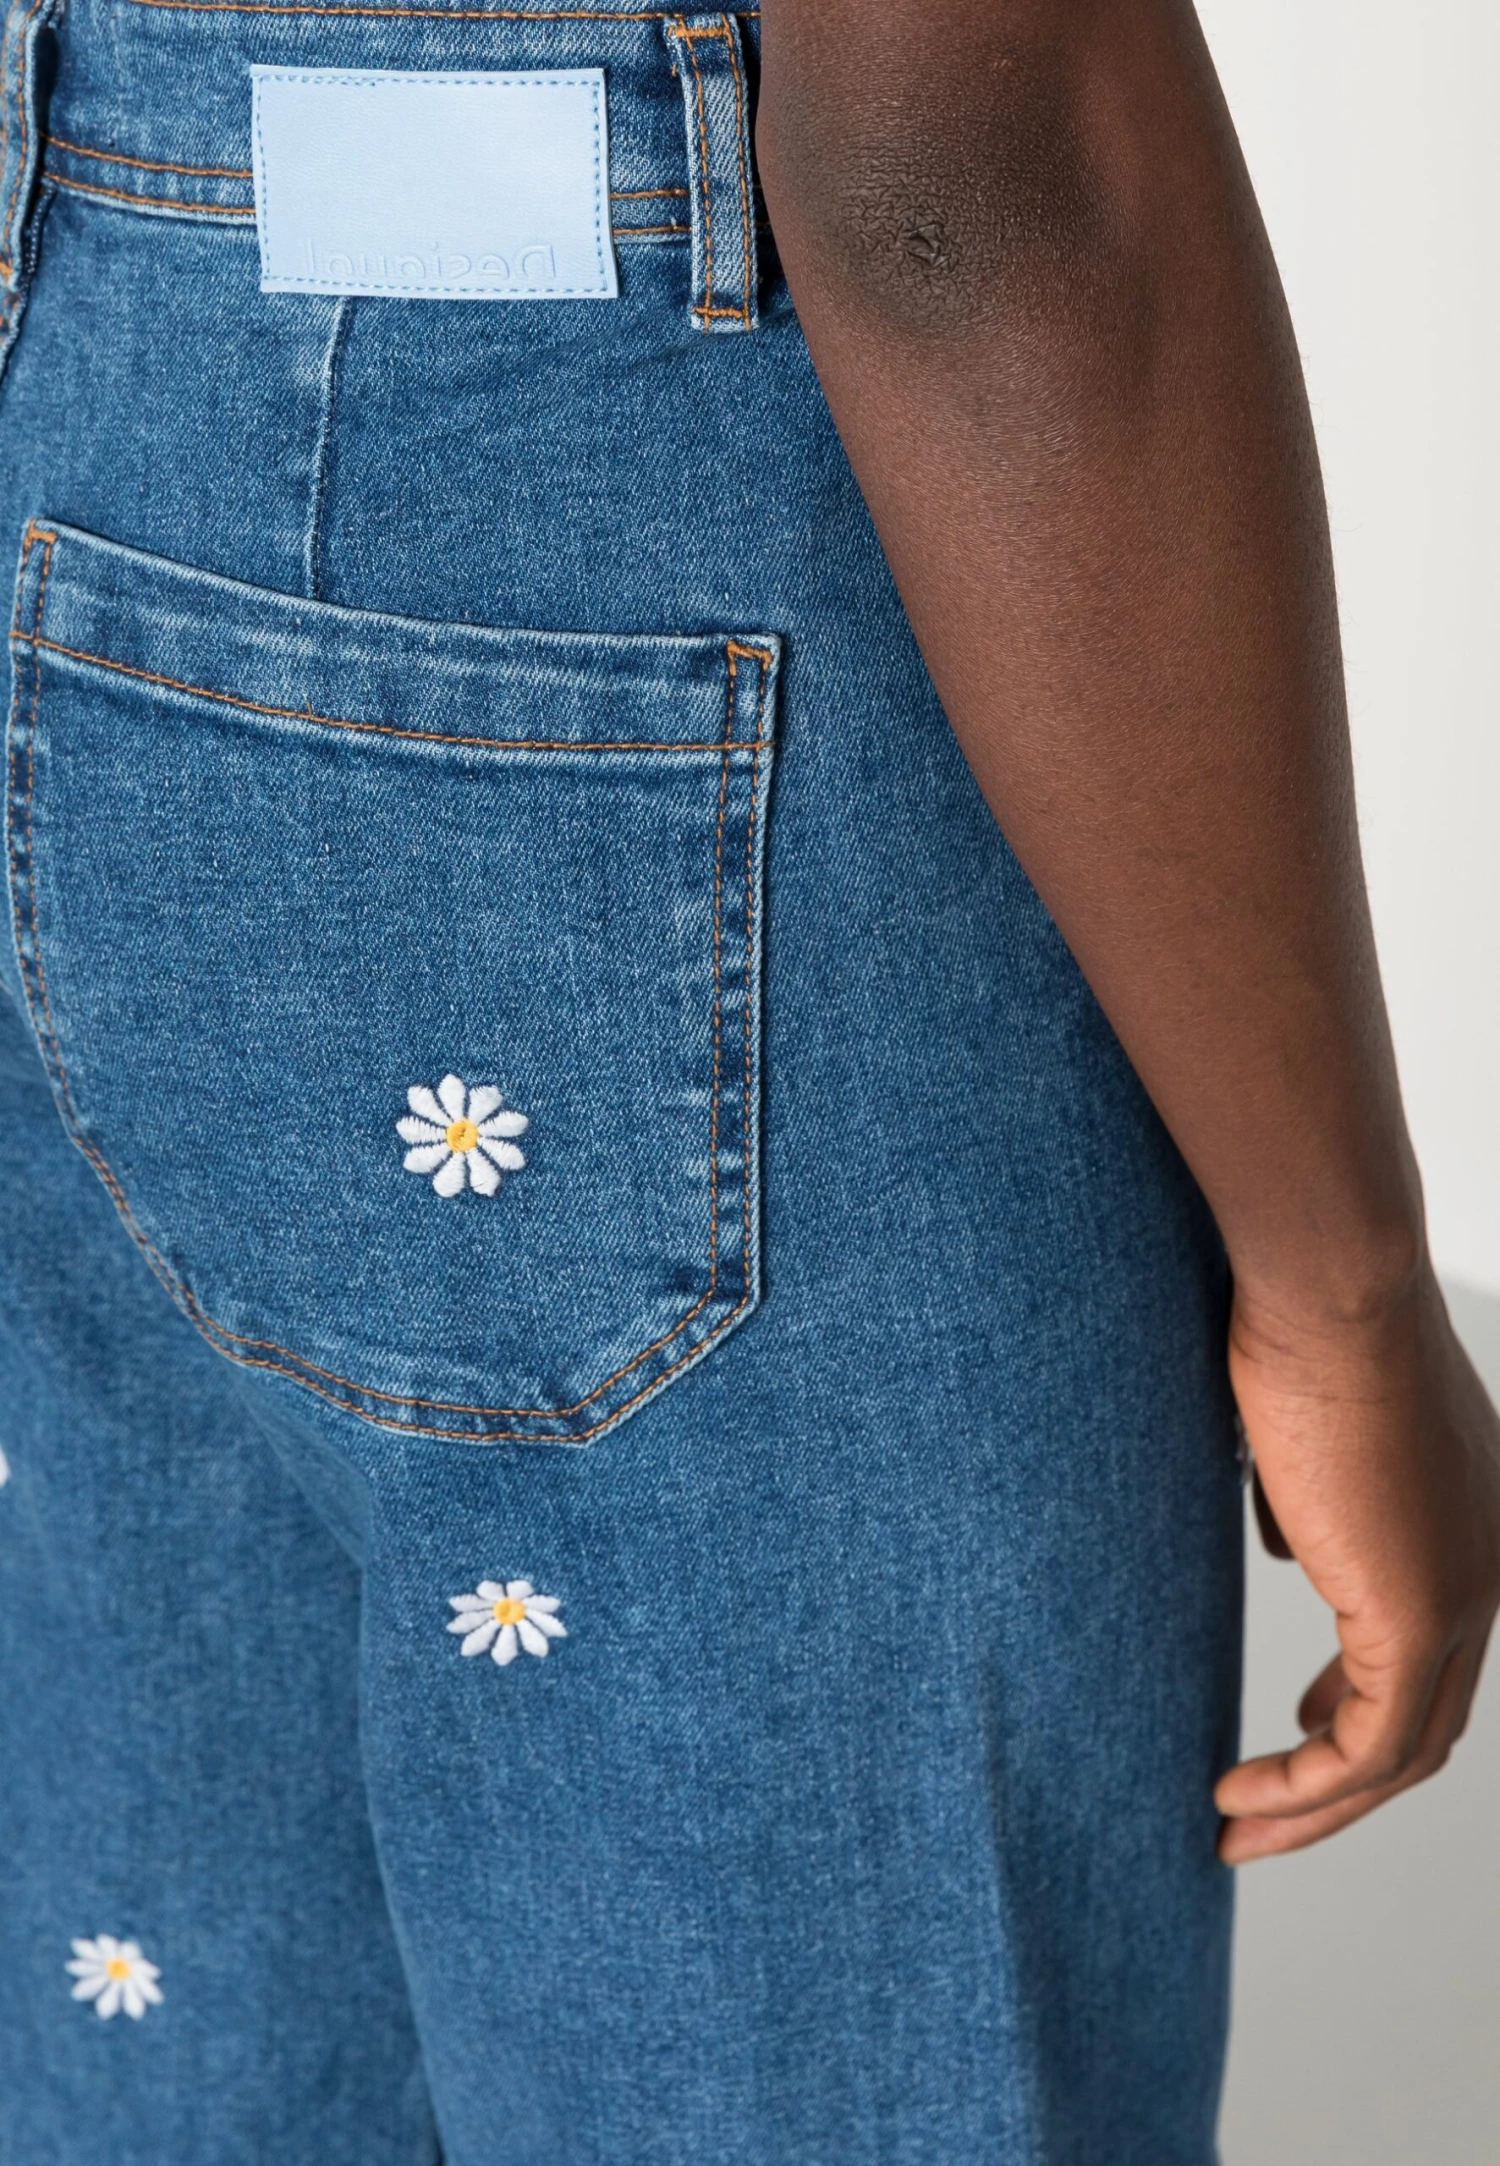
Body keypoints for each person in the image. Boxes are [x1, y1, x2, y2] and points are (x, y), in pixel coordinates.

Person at [0, 0, 1495, 2160]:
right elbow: (971, 185)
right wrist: (1339, 1276)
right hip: (648, 571)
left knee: (185, 2025)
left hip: (71, 399)